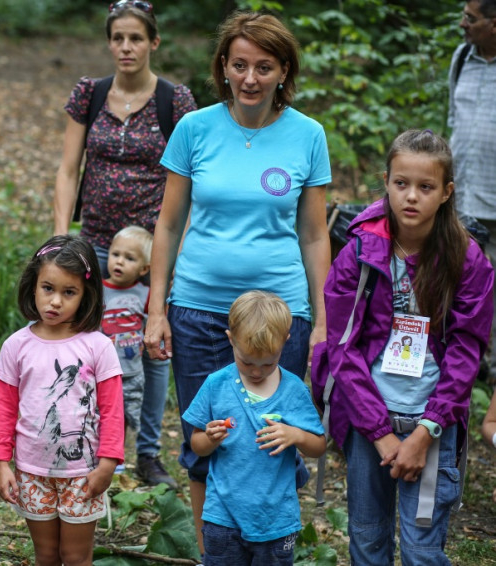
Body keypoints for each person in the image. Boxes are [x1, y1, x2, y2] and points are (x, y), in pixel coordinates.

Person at [144, 11, 331, 549]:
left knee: (273, 440)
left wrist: (322, 322)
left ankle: (270, 547)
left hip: (280, 316)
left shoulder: (308, 135)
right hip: (200, 310)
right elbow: (169, 225)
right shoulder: (194, 128)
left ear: (284, 71)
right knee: (207, 438)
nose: (250, 78)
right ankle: (214, 554)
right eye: (240, 65)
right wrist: (156, 309)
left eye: (264, 67)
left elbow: (314, 235)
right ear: (223, 66)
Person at [320, 129, 493, 565]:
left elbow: (466, 353)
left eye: (425, 187)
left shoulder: (466, 259)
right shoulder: (358, 253)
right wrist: (378, 432)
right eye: (401, 183)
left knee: (421, 551)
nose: (411, 196)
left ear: (446, 192)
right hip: (368, 424)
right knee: (367, 541)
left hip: (431, 426)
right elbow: (343, 349)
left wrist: (425, 431)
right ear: (386, 182)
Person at [46, 0, 195, 489]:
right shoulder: (90, 93)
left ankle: (148, 454)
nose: (126, 47)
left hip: (152, 251)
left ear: (153, 42)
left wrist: (178, 248)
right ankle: (69, 433)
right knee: (69, 331)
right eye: (118, 38)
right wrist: (61, 236)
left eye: (136, 38)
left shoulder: (175, 100)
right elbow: (68, 168)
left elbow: (189, 177)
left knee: (152, 348)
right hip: (94, 244)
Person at [0, 235, 124, 566]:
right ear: (33, 286)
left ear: (86, 294)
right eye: (48, 288)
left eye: (69, 292)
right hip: (31, 471)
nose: (55, 301)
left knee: (76, 557)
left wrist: (108, 463)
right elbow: (4, 409)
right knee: (47, 555)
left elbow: (113, 411)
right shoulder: (15, 346)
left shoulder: (98, 346)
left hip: (83, 473)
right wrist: (1, 463)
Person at [183, 291, 325, 566]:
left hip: (275, 520)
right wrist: (210, 438)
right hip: (222, 516)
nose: (257, 372)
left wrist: (296, 435)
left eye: (268, 363)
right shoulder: (216, 384)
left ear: (285, 341)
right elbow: (196, 445)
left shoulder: (293, 390)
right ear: (231, 339)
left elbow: (318, 446)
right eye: (247, 362)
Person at [448, 0, 496, 379]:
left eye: (471, 18)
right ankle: (462, 376)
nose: (463, 24)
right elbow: (454, 120)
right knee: (462, 298)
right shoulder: (462, 58)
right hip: (461, 205)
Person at [101, 226, 152, 455]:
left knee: (123, 416)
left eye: (129, 258)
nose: (119, 262)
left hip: (131, 372)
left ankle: (115, 456)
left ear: (144, 269)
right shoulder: (97, 290)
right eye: (115, 254)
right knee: (97, 413)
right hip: (100, 371)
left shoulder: (146, 294)